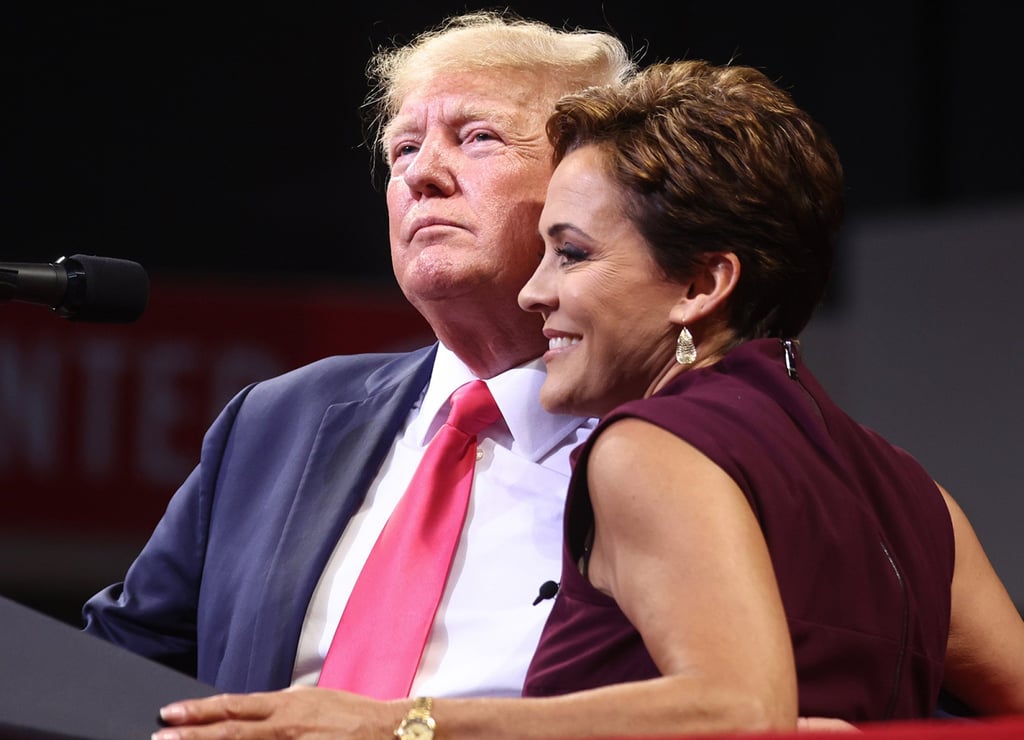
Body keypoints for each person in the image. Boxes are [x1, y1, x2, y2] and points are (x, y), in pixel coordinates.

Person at [150, 60, 1024, 740]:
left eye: (569, 254)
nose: (537, 293)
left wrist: (393, 723)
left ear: (701, 283)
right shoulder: (915, 494)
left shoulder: (649, 446)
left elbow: (738, 709)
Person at [82, 9, 633, 701]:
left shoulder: (667, 435)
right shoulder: (277, 421)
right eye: (402, 150)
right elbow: (112, 671)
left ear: (589, 191)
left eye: (478, 137)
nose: (423, 174)